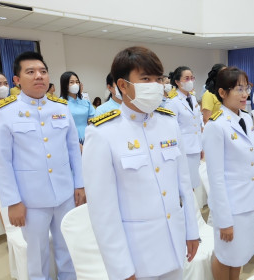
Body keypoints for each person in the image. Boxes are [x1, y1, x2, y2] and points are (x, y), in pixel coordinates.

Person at [82, 46, 199, 280]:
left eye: (158, 79)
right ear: (122, 85)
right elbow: (103, 211)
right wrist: (121, 268)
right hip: (138, 255)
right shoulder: (103, 133)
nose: (154, 86)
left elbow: (183, 184)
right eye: (145, 79)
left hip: (175, 244)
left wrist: (191, 231)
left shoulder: (169, 123)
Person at [0, 51, 85, 280]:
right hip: (30, 200)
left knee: (69, 251)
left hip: (65, 194)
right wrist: (13, 201)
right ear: (16, 80)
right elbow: (2, 162)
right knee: (37, 258)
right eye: (31, 72)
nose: (39, 76)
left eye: (43, 72)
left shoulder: (60, 107)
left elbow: (74, 149)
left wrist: (80, 185)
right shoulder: (5, 113)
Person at [203, 67, 254, 280]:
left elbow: (251, 164)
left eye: (246, 88)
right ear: (222, 92)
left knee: (240, 255)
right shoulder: (215, 126)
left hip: (248, 201)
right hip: (231, 205)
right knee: (225, 255)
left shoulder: (245, 119)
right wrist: (224, 219)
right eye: (239, 89)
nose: (245, 94)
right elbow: (216, 177)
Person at [164, 66, 203, 190]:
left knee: (194, 182)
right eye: (186, 78)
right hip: (183, 149)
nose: (190, 81)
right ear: (177, 82)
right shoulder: (173, 102)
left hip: (196, 146)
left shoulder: (192, 98)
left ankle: (194, 207)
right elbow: (170, 129)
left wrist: (201, 145)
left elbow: (198, 123)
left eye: (192, 78)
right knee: (185, 185)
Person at [60, 71, 95, 144]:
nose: (75, 85)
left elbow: (92, 122)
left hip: (87, 138)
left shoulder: (86, 102)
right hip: (69, 140)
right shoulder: (59, 103)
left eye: (77, 82)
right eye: (71, 82)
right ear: (65, 85)